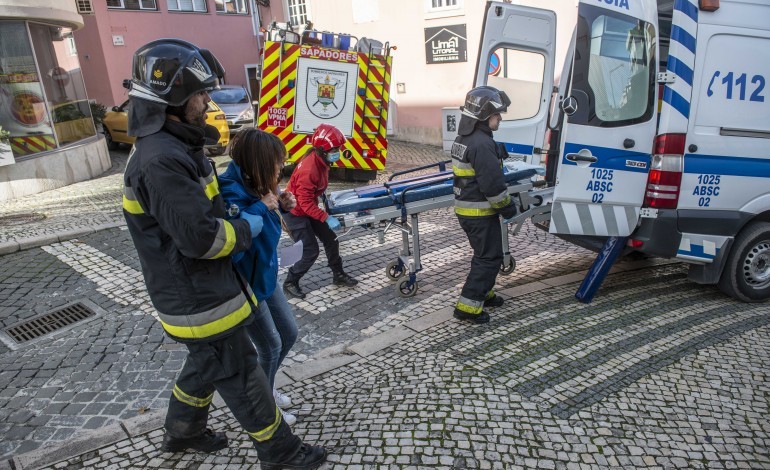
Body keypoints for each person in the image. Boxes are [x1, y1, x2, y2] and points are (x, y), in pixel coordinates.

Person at [121, 38, 326, 469]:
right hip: (197, 295)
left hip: (200, 288)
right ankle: (282, 452)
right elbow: (204, 238)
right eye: (200, 92)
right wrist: (252, 224)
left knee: (203, 366)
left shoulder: (175, 147)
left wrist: (261, 206)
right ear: (174, 97)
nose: (207, 99)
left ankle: (182, 432)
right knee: (241, 373)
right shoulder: (161, 160)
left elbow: (209, 210)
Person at [218, 128, 300, 426]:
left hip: (265, 274)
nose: (281, 168)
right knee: (270, 346)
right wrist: (261, 206)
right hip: (245, 284)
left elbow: (268, 209)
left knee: (289, 334)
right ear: (260, 162)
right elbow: (235, 244)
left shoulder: (258, 185)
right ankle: (263, 408)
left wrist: (282, 202)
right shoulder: (231, 191)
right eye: (277, 162)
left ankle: (266, 387)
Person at [451, 86, 518, 325]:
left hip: (468, 210)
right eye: (496, 114)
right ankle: (468, 308)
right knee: (489, 257)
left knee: (485, 254)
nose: (499, 118)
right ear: (484, 116)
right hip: (479, 212)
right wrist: (509, 208)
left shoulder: (465, 138)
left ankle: (484, 293)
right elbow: (492, 185)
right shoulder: (481, 144)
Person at [281, 123, 358, 299]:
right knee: (310, 250)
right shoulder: (310, 169)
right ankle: (290, 281)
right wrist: (326, 217)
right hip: (295, 212)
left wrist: (323, 199)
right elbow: (304, 202)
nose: (337, 152)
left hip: (307, 208)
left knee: (331, 239)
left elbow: (312, 192)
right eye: (335, 149)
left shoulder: (320, 160)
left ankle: (338, 275)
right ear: (323, 150)